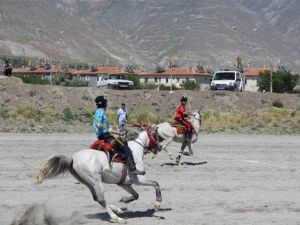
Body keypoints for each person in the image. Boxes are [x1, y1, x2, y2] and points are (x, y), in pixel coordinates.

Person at [93, 95, 145, 175]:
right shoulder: (100, 111)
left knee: (122, 141)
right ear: (104, 104)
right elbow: (98, 124)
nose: (107, 104)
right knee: (124, 146)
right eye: (106, 103)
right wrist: (100, 124)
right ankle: (133, 169)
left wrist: (119, 133)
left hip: (106, 134)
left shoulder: (100, 111)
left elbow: (108, 129)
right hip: (105, 136)